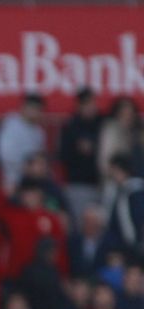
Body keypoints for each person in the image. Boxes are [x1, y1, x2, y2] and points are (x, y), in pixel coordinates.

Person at [60, 88, 104, 221]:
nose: (90, 107)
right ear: (79, 105)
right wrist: (78, 148)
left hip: (102, 184)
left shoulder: (102, 123)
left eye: (92, 103)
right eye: (86, 104)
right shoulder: (71, 126)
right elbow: (63, 156)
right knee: (80, 224)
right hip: (78, 185)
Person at [0, 94, 47, 194]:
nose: (34, 112)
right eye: (32, 108)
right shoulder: (11, 124)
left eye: (37, 109)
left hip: (33, 183)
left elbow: (40, 155)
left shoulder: (39, 132)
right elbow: (6, 154)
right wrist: (27, 167)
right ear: (24, 107)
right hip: (13, 180)